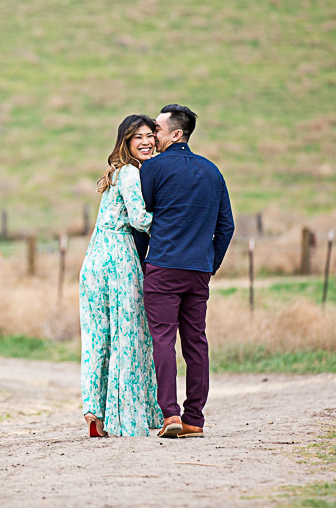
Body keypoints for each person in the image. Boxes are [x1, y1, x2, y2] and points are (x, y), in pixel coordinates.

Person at [140, 104, 234, 438]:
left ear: (177, 134)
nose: (153, 136)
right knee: (196, 342)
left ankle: (170, 415)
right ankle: (194, 418)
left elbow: (143, 217)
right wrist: (210, 265)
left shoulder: (152, 169)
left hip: (163, 266)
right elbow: (226, 226)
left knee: (162, 340)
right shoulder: (213, 171)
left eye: (158, 130)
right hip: (198, 270)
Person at [79, 114, 164, 437]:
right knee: (128, 336)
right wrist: (181, 219)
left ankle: (94, 414)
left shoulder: (114, 173)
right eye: (138, 136)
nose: (146, 142)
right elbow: (141, 220)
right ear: (126, 142)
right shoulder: (130, 173)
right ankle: (126, 417)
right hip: (118, 258)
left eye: (149, 136)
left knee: (97, 338)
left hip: (94, 260)